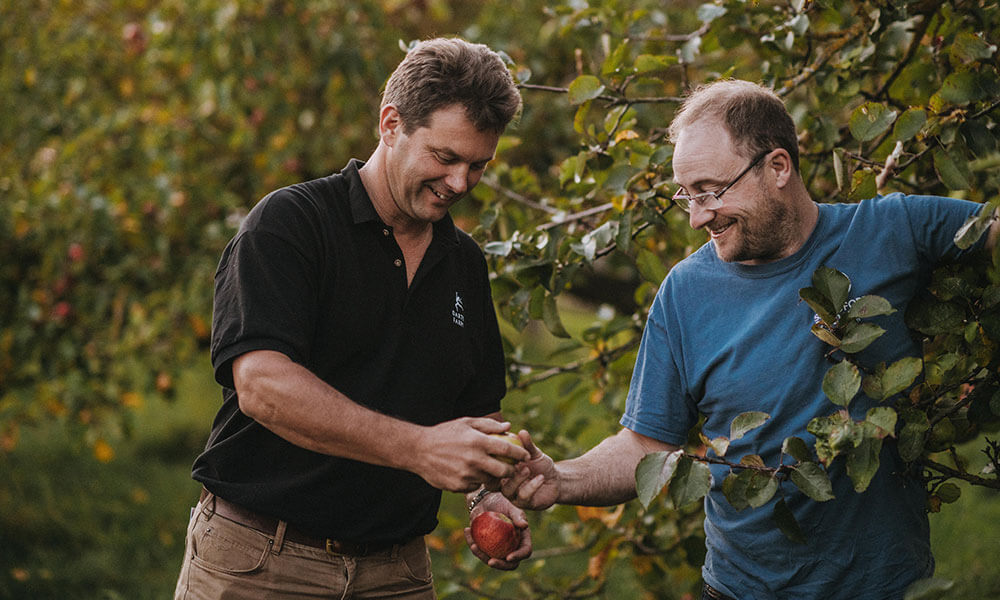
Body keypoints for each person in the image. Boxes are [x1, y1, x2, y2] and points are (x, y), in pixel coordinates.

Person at [501, 79, 999, 599]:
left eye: (712, 191)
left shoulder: (891, 230)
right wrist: (561, 479)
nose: (697, 216)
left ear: (778, 168)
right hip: (741, 590)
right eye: (687, 195)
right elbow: (647, 444)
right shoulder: (685, 293)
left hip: (885, 587)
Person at [174, 37, 533, 600]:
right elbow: (263, 386)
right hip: (263, 561)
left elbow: (475, 408)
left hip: (397, 573)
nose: (461, 184)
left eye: (478, 165)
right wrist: (418, 448)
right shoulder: (291, 225)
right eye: (445, 157)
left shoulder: (463, 262)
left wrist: (486, 492)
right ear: (391, 123)